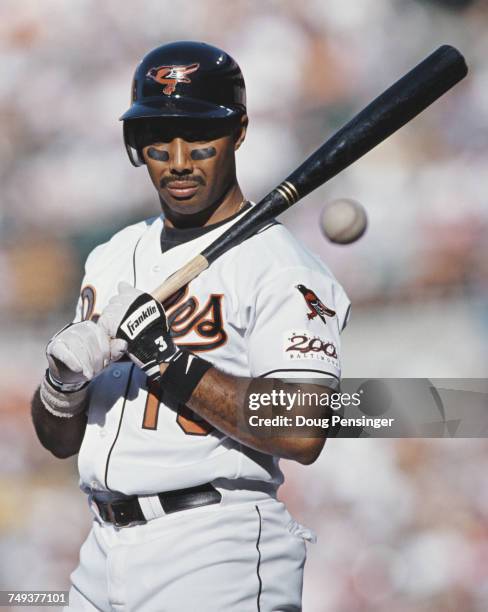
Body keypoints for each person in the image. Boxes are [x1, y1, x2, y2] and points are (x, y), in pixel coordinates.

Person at [31, 41, 350, 611]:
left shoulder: (281, 266)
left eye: (200, 137)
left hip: (216, 548)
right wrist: (62, 386)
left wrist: (168, 363)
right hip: (100, 548)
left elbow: (305, 430)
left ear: (238, 132)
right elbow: (59, 442)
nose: (179, 159)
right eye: (158, 139)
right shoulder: (111, 255)